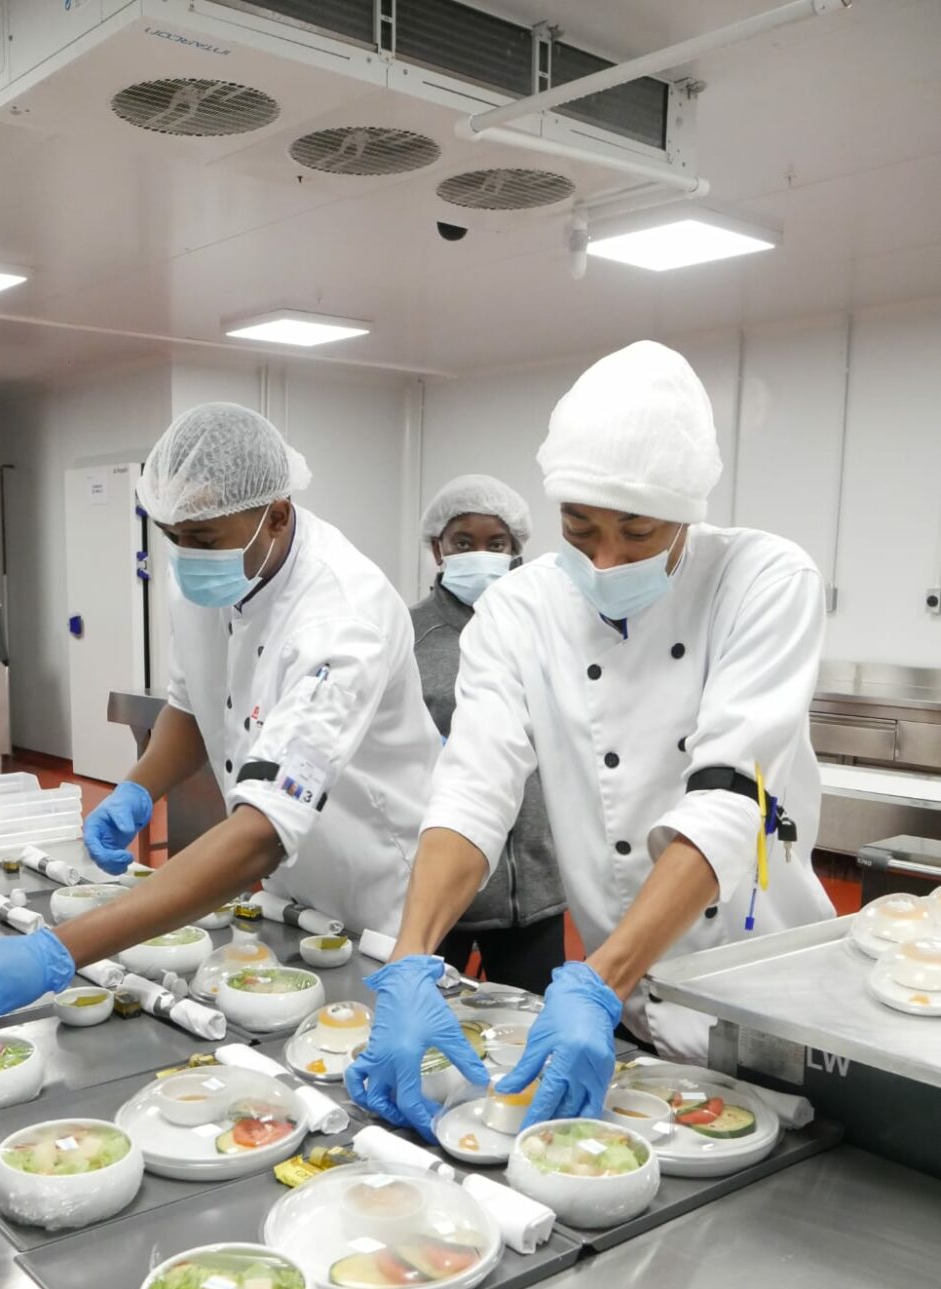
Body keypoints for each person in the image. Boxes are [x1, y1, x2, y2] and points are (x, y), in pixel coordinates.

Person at [346, 341, 833, 1140]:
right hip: (630, 1017)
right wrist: (410, 956)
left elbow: (725, 801)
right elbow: (472, 789)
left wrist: (597, 980)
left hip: (767, 1005)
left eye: (638, 532)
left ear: (688, 512)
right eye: (579, 528)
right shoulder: (519, 610)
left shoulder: (765, 580)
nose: (606, 561)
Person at [0, 405, 480, 1060]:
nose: (187, 555)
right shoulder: (208, 575)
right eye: (172, 535)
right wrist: (138, 787)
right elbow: (192, 703)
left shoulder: (343, 615)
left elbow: (261, 832)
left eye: (204, 538)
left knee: (349, 1054)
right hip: (288, 885)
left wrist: (57, 952)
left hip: (380, 892)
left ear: (277, 514)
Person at [412, 474, 565, 991]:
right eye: (463, 542)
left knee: (532, 1022)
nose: (480, 554)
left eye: (496, 544)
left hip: (537, 887)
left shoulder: (544, 634)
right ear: (438, 548)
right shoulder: (409, 636)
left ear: (516, 550)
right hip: (442, 883)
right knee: (434, 1015)